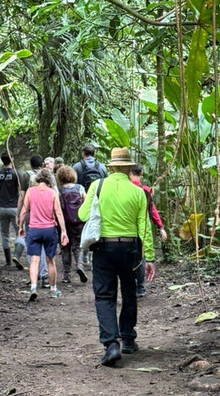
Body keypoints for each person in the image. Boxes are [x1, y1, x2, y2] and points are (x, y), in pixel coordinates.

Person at [78, 147, 155, 367]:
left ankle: (111, 344)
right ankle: (128, 338)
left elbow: (82, 214)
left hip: (104, 249)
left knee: (104, 295)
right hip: (130, 249)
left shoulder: (98, 186)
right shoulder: (138, 192)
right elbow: (144, 228)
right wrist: (148, 257)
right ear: (129, 168)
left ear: (111, 167)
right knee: (130, 292)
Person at [18, 168, 69, 301]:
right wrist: (63, 231)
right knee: (50, 261)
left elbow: (24, 210)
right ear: (50, 179)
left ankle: (33, 287)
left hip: (34, 229)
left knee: (34, 260)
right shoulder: (52, 193)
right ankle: (53, 289)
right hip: (49, 230)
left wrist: (20, 226)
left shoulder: (30, 191)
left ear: (37, 178)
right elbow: (58, 213)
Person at [129, 164, 167, 297]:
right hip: (142, 229)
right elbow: (152, 210)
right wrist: (160, 227)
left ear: (129, 174)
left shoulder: (124, 189)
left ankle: (129, 286)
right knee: (141, 257)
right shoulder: (145, 190)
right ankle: (140, 287)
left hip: (126, 229)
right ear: (141, 174)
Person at [0, 153, 26, 266]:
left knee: (5, 234)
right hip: (15, 208)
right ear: (12, 160)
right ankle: (16, 255)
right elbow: (21, 193)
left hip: (2, 209)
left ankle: (8, 261)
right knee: (20, 233)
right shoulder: (17, 174)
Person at [56, 164, 88, 284]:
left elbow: (57, 207)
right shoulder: (80, 188)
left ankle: (66, 275)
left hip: (63, 223)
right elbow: (86, 202)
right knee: (78, 246)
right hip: (78, 223)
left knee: (65, 248)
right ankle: (79, 265)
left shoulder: (59, 190)